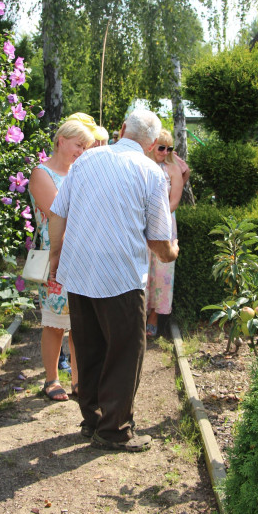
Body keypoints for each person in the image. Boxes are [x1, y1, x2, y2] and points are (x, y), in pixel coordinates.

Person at [48, 110, 178, 452]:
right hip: (120, 276)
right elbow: (160, 240)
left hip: (79, 271)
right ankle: (114, 431)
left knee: (89, 348)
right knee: (125, 352)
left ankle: (92, 420)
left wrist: (55, 258)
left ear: (121, 130)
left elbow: (58, 213)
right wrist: (171, 254)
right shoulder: (151, 171)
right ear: (152, 144)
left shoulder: (86, 161)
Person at [28, 118, 95, 400]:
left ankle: (79, 381)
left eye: (86, 147)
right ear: (61, 140)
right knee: (55, 323)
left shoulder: (81, 173)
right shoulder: (41, 173)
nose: (81, 151)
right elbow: (58, 214)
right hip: (56, 254)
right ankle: (52, 379)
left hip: (83, 254)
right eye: (78, 145)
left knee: (81, 322)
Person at [145, 129, 184, 338]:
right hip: (140, 223)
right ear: (152, 145)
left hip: (165, 223)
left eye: (169, 148)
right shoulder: (141, 163)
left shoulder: (173, 169)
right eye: (161, 147)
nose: (165, 151)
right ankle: (137, 312)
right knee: (140, 266)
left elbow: (174, 200)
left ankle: (154, 314)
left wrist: (156, 218)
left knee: (161, 270)